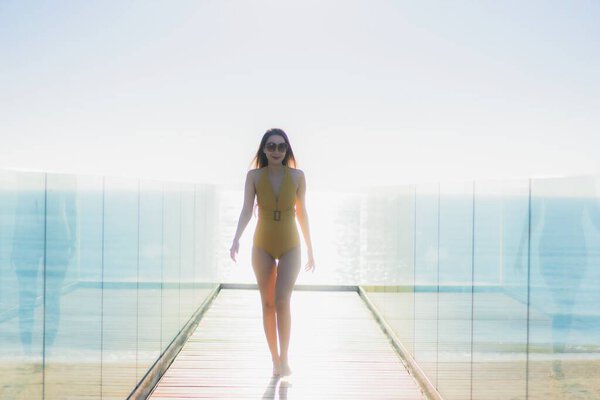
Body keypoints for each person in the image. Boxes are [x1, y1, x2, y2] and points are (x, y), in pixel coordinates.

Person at [229, 128, 316, 377]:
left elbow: (302, 213)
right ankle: (274, 359)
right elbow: (247, 210)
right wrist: (236, 238)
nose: (276, 150)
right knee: (267, 304)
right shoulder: (254, 176)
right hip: (262, 244)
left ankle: (286, 357)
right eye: (271, 146)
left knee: (282, 301)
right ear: (264, 150)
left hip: (290, 244)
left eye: (280, 146)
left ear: (287, 149)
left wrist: (310, 248)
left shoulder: (298, 176)